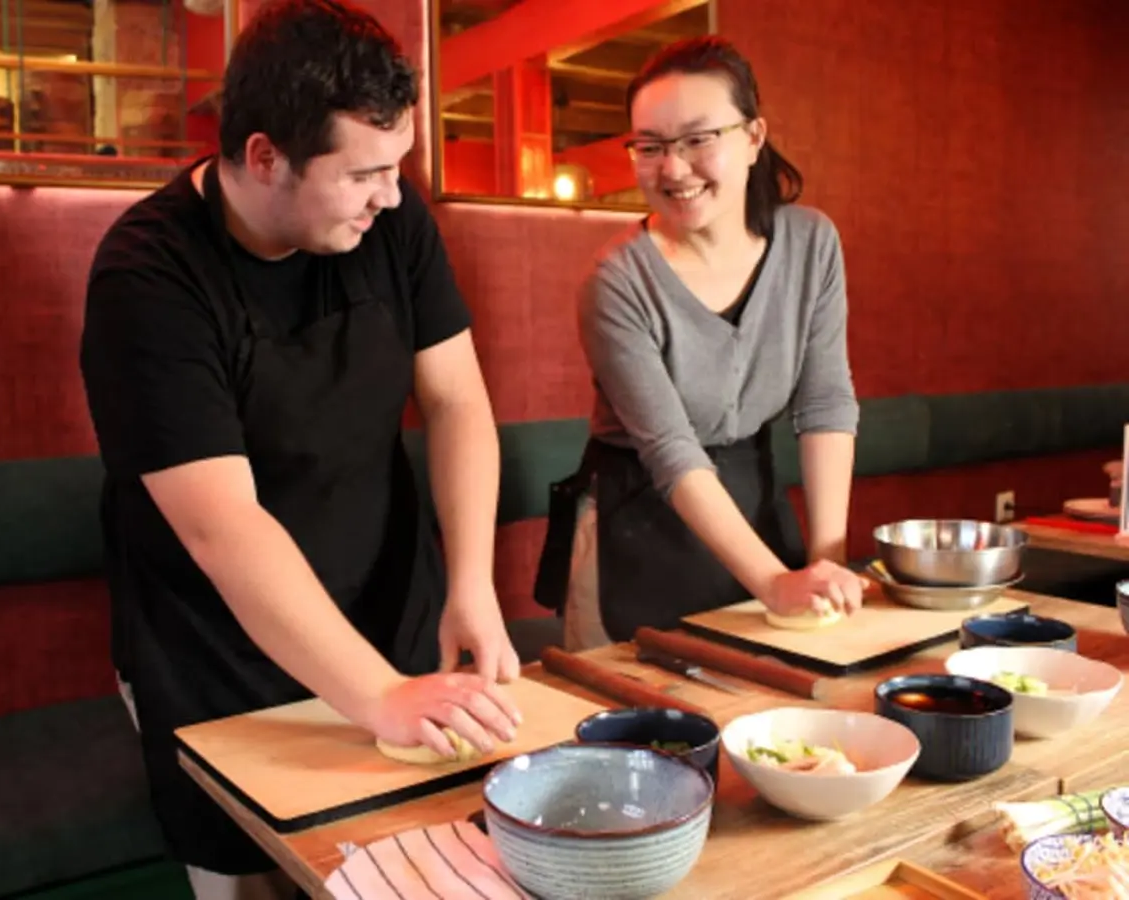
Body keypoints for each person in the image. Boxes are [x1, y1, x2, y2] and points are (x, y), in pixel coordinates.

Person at [78, 2, 522, 897]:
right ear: (264, 157)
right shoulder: (149, 276)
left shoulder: (390, 218)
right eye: (364, 174)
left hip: (389, 605)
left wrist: (471, 584)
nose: (391, 196)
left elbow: (457, 400)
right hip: (217, 651)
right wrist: (377, 696)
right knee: (258, 879)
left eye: (397, 169)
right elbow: (222, 527)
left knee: (413, 870)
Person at [538, 36, 868, 650]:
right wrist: (772, 582)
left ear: (752, 137)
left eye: (697, 139)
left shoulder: (811, 244)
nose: (673, 168)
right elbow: (670, 450)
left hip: (759, 505)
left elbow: (825, 403)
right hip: (637, 524)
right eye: (651, 146)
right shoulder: (616, 281)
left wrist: (828, 563)